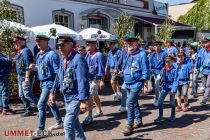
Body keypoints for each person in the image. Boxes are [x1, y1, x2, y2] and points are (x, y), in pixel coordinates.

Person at [48, 36, 89, 140]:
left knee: (68, 124)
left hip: (76, 97)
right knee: (75, 123)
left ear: (71, 45)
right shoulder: (64, 59)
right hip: (67, 97)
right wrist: (52, 92)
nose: (60, 48)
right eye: (58, 46)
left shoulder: (78, 59)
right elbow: (58, 77)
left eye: (62, 45)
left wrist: (83, 100)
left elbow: (82, 80)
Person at [29, 34, 63, 139]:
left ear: (46, 41)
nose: (37, 43)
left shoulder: (52, 54)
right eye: (36, 41)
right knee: (51, 103)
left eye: (39, 41)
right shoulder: (40, 54)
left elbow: (58, 72)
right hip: (42, 82)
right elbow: (41, 67)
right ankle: (59, 122)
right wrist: (33, 67)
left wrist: (55, 88)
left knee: (40, 105)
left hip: (50, 83)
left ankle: (40, 130)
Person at [122, 36, 149, 136]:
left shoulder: (142, 55)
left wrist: (145, 85)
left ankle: (130, 125)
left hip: (137, 83)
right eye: (128, 43)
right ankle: (139, 120)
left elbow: (146, 71)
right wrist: (122, 72)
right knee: (134, 102)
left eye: (131, 43)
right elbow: (126, 67)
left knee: (129, 102)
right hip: (128, 82)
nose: (129, 45)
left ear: (136, 43)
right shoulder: (127, 54)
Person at [13, 36, 38, 117]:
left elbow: (29, 65)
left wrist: (27, 77)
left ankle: (42, 107)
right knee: (21, 95)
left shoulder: (25, 51)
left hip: (26, 76)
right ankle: (29, 110)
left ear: (21, 41)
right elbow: (19, 65)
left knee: (27, 94)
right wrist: (18, 75)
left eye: (16, 42)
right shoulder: (20, 51)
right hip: (21, 76)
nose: (14, 44)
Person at [83, 39, 105, 125]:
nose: (87, 45)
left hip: (96, 78)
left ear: (94, 45)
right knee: (95, 95)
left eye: (88, 44)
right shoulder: (88, 54)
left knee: (90, 96)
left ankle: (89, 116)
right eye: (87, 44)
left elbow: (101, 68)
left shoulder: (99, 55)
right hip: (89, 78)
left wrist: (101, 80)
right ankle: (99, 111)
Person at [154, 56, 179, 123]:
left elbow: (176, 80)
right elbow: (160, 75)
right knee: (160, 102)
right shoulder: (164, 68)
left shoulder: (175, 69)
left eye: (168, 61)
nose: (167, 63)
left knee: (172, 103)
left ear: (172, 62)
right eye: (166, 62)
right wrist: (159, 78)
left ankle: (173, 115)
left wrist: (173, 90)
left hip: (171, 87)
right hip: (165, 87)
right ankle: (160, 116)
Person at [0, 39, 15, 115]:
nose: (2, 47)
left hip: (2, 75)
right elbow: (7, 61)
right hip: (3, 75)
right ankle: (5, 109)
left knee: (1, 92)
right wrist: (10, 58)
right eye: (1, 46)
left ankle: (2, 107)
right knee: (4, 92)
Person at [149, 40, 167, 106]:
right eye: (155, 45)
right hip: (154, 72)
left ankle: (158, 99)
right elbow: (150, 63)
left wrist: (163, 71)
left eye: (158, 45)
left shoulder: (164, 54)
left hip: (161, 71)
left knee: (157, 85)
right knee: (157, 86)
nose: (156, 47)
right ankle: (159, 98)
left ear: (160, 46)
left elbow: (166, 64)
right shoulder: (152, 54)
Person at [199, 37, 210, 106]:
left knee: (208, 85)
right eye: (203, 42)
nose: (204, 44)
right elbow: (199, 61)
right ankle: (208, 96)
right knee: (204, 85)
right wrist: (199, 70)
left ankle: (204, 100)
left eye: (206, 42)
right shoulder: (202, 50)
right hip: (203, 69)